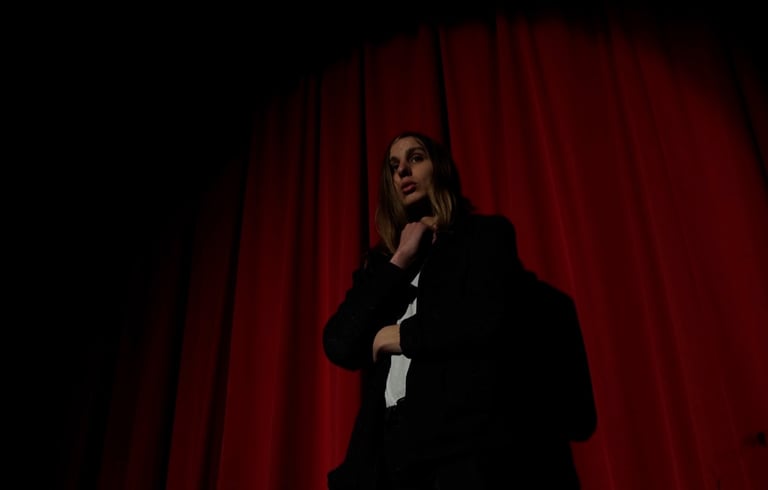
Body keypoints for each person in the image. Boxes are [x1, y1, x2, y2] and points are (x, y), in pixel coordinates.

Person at [322, 131, 597, 489]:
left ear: (440, 168)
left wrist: (402, 336)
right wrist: (400, 259)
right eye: (394, 166)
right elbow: (340, 343)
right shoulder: (382, 266)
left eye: (415, 158)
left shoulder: (484, 237)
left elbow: (488, 318)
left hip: (459, 451)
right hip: (387, 460)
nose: (403, 170)